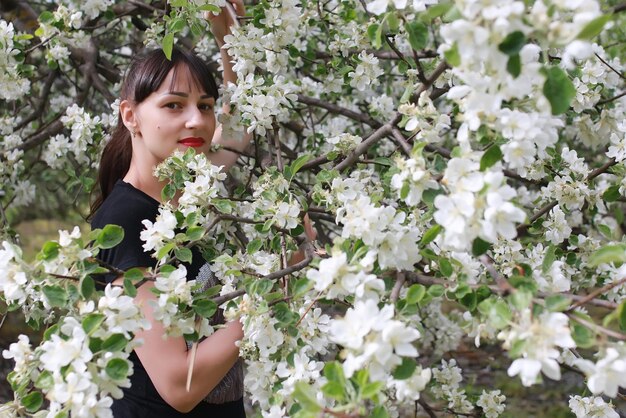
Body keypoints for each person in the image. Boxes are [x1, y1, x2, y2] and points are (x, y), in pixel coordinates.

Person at [90, 1, 250, 416]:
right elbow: (179, 384)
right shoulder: (127, 221)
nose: (197, 121)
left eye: (207, 105)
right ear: (131, 116)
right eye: (173, 105)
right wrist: (270, 302)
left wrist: (229, 33)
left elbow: (238, 129)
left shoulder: (182, 192)